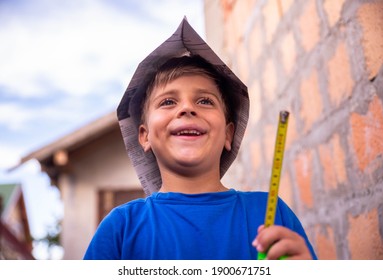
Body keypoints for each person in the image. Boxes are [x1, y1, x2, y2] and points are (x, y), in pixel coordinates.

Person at [83, 18, 317, 260]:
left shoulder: (270, 214)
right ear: (145, 136)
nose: (186, 108)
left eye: (205, 101)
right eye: (168, 102)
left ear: (228, 134)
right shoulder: (121, 228)